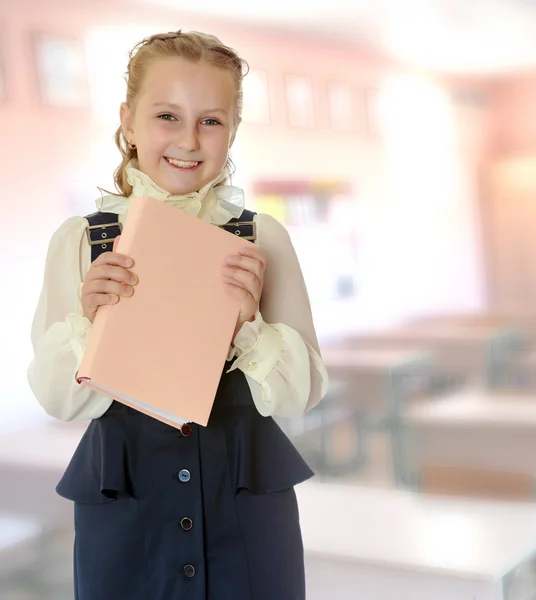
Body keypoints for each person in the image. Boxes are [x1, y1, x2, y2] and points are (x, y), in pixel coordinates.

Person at [27, 30, 328, 600]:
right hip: (126, 510)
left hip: (245, 512)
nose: (189, 140)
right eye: (168, 115)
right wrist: (92, 323)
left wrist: (249, 328)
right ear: (129, 121)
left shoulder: (262, 240)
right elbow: (58, 400)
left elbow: (302, 394)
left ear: (232, 130)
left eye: (211, 121)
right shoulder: (80, 243)